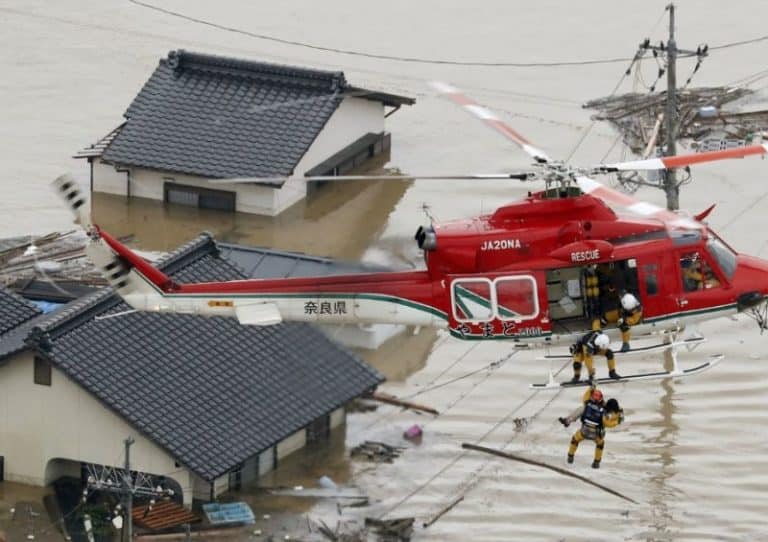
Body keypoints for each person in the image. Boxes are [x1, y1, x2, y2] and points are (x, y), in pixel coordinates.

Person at [558, 387, 624, 469]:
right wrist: (618, 419)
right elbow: (608, 423)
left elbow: (585, 396)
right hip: (596, 435)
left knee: (575, 439)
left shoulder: (587, 404)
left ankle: (570, 456)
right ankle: (596, 462)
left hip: (584, 431)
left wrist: (591, 388)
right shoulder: (604, 411)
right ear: (601, 398)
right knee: (600, 444)